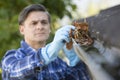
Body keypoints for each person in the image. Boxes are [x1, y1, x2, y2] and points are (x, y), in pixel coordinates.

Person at [1, 4, 91, 80]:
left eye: (44, 22)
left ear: (49, 29)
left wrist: (75, 62)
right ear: (22, 29)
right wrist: (46, 54)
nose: (40, 27)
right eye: (34, 23)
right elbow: (14, 71)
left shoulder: (59, 63)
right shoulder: (12, 58)